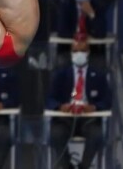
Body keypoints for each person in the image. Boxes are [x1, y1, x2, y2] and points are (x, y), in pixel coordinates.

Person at [46, 41, 112, 169]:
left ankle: (84, 167)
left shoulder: (99, 75)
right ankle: (67, 166)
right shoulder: (60, 75)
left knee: (97, 133)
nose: (78, 54)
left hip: (88, 119)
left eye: (82, 51)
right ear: (70, 54)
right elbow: (49, 99)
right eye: (75, 51)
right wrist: (60, 107)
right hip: (66, 118)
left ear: (88, 53)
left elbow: (107, 100)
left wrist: (94, 107)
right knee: (56, 133)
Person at [56, 0, 107, 68]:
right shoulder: (66, 6)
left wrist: (91, 14)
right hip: (68, 49)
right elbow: (62, 31)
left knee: (99, 63)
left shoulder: (98, 6)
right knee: (62, 63)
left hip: (93, 50)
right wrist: (80, 37)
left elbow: (101, 33)